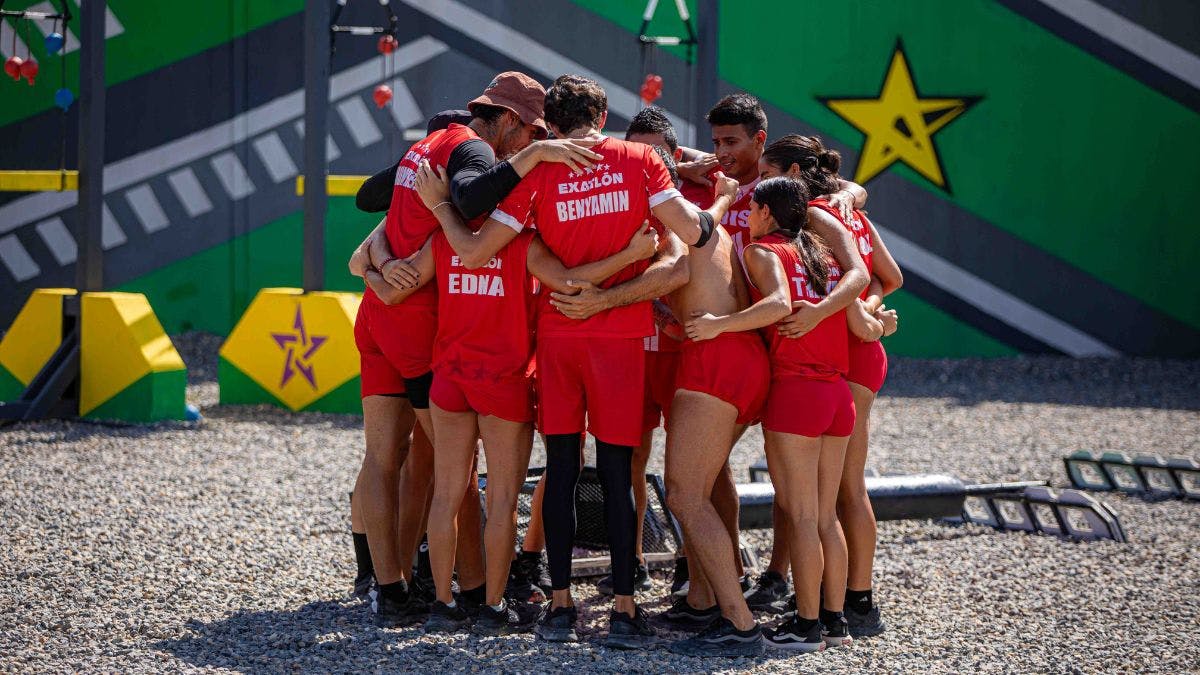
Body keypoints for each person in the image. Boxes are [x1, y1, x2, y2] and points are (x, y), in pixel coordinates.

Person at [426, 74, 735, 648]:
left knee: (561, 470)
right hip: (620, 340)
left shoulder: (539, 170)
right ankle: (622, 608)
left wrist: (442, 209)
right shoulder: (640, 159)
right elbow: (692, 236)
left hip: (559, 337)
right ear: (603, 111)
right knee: (620, 475)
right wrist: (716, 203)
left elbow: (474, 250)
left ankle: (561, 606)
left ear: (554, 120)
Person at [347, 71, 603, 625]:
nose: (535, 146)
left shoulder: (429, 145)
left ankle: (392, 589)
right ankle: (475, 592)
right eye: (533, 135)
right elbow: (465, 202)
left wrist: (372, 265)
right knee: (455, 478)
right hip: (423, 333)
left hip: (378, 322)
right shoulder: (475, 156)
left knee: (388, 461)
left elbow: (375, 201)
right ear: (510, 122)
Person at [364, 164, 661, 635]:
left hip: (449, 380)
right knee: (502, 501)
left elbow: (393, 283)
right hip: (501, 381)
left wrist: (376, 272)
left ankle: (443, 604)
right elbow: (569, 282)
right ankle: (493, 607)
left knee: (447, 493)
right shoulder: (523, 244)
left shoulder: (444, 241)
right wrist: (630, 254)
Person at [712, 176, 867, 650]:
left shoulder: (763, 252)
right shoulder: (819, 255)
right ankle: (835, 620)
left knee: (800, 517)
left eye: (753, 209)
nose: (749, 218)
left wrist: (720, 325)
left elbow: (777, 304)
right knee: (824, 517)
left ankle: (806, 625)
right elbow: (861, 301)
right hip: (837, 396)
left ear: (765, 212)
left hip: (797, 393)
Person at [757, 135, 902, 637]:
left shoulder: (816, 216)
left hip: (839, 356)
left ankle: (839, 605)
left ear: (791, 175)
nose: (761, 185)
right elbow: (889, 277)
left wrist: (856, 315)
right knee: (838, 491)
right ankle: (845, 603)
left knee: (834, 494)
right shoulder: (848, 209)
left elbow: (864, 278)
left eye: (767, 174)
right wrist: (871, 314)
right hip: (857, 350)